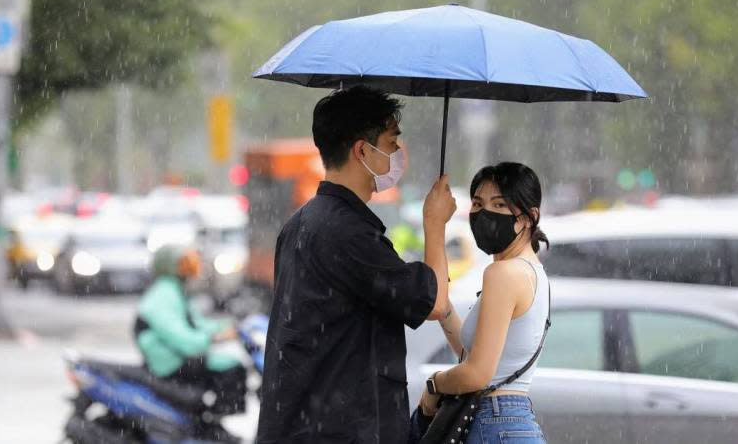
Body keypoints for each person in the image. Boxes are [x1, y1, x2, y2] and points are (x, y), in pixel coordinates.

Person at [257, 86, 457, 444]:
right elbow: (436, 303)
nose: (397, 151)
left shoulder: (301, 223)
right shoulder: (348, 234)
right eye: (392, 140)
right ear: (362, 150)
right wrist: (435, 223)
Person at [416, 162, 551, 444]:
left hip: (494, 422)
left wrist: (434, 385)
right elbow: (472, 353)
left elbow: (477, 374)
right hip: (510, 423)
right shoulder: (531, 271)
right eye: (477, 203)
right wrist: (444, 307)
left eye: (499, 205)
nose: (484, 213)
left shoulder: (503, 273)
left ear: (528, 217)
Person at [134, 245, 243, 387]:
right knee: (232, 368)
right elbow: (182, 339)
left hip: (176, 359)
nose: (192, 269)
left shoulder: (174, 290)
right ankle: (225, 409)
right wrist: (216, 337)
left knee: (229, 364)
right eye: (186, 264)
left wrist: (228, 326)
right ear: (171, 267)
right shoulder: (163, 297)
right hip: (169, 364)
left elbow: (196, 323)